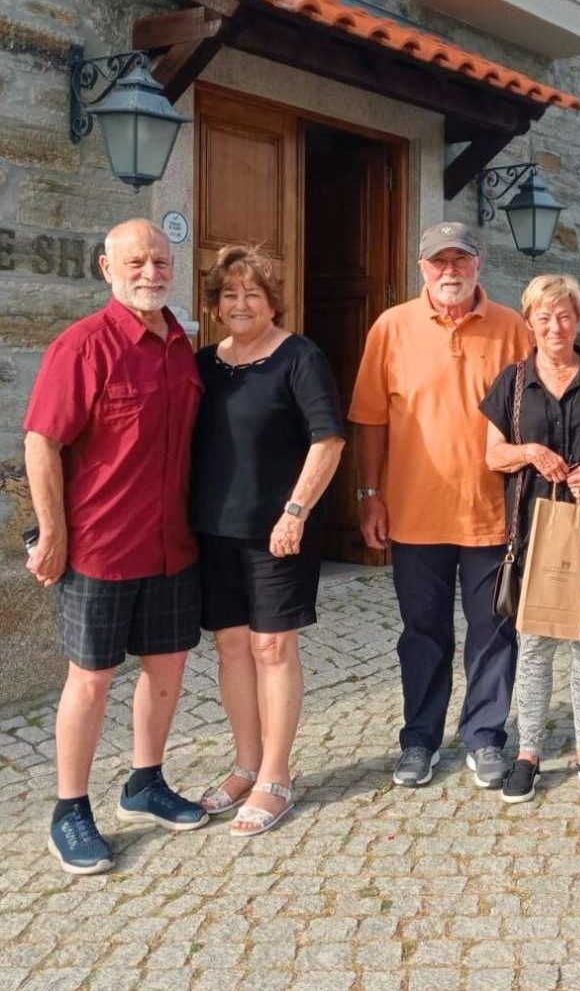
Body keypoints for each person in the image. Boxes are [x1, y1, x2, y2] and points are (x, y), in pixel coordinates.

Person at [24, 219, 207, 875]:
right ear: (107, 268)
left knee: (168, 671)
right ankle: (69, 809)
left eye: (160, 260)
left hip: (172, 547)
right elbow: (41, 440)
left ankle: (144, 783)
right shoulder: (83, 346)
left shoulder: (182, 346)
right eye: (136, 261)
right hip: (100, 548)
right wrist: (51, 533)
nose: (150, 272)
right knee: (91, 681)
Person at [349, 221, 529, 789]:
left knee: (494, 629)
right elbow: (371, 420)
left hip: (492, 511)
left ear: (479, 265)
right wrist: (369, 495)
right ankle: (419, 739)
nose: (449, 271)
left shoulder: (514, 329)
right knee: (422, 631)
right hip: (414, 512)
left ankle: (485, 736)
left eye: (461, 260)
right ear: (421, 267)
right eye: (438, 261)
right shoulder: (391, 327)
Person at [191, 245, 345, 836]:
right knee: (231, 647)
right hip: (214, 527)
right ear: (215, 304)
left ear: (272, 300)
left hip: (281, 528)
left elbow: (327, 440)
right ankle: (245, 763)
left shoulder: (299, 357)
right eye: (229, 294)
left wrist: (296, 511)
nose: (240, 304)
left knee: (272, 649)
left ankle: (276, 775)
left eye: (251, 293)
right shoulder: (206, 363)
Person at [480, 275, 580, 804]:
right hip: (533, 533)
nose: (555, 326)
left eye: (564, 315)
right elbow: (493, 455)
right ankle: (528, 754)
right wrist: (530, 453)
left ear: (578, 319)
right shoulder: (512, 382)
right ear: (529, 323)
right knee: (535, 646)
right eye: (544, 317)